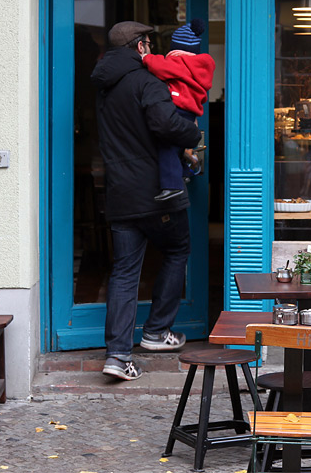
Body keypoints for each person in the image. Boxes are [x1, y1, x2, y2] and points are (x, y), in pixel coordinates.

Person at [91, 20, 202, 381]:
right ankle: (156, 332)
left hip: (120, 193)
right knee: (177, 250)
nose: (152, 48)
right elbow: (166, 125)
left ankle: (117, 356)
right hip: (157, 192)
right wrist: (194, 134)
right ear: (139, 46)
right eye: (149, 42)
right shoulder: (147, 82)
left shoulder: (106, 88)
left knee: (124, 272)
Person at [142, 19, 215, 201]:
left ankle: (172, 185)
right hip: (190, 113)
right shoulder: (197, 67)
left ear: (176, 50)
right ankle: (183, 173)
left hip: (178, 109)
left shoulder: (177, 63)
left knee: (167, 146)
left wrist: (145, 57)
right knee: (177, 147)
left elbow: (158, 66)